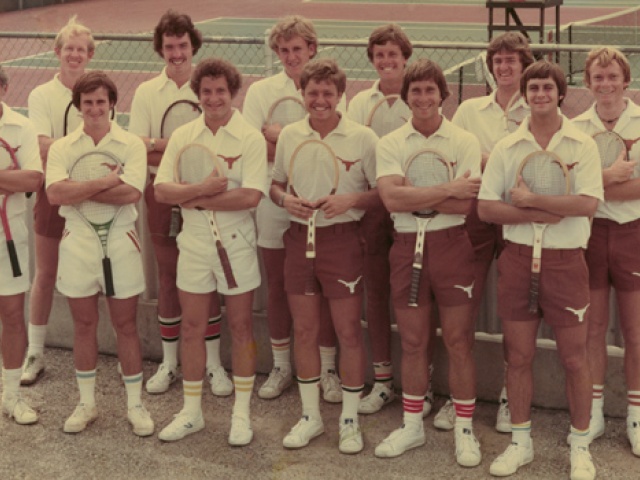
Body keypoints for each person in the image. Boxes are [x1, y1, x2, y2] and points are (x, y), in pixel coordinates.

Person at [478, 61, 602, 479]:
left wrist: (532, 202)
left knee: (574, 358)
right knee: (518, 356)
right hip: (516, 261)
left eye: (548, 87)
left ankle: (580, 446)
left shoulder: (581, 144)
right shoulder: (507, 145)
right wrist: (534, 210)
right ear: (525, 94)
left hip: (566, 265)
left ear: (560, 93)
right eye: (533, 88)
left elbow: (587, 204)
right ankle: (520, 443)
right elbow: (485, 206)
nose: (540, 94)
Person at [374, 58, 482, 467]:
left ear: (443, 95)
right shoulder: (390, 143)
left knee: (458, 342)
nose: (423, 98)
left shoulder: (463, 140)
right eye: (415, 91)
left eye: (429, 90)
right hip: (406, 247)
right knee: (415, 341)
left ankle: (465, 430)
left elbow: (464, 202)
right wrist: (446, 187)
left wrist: (416, 191)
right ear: (406, 97)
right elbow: (391, 199)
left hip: (452, 244)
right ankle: (413, 424)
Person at [154, 58, 267, 446]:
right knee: (192, 327)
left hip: (237, 244)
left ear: (231, 92)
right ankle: (191, 413)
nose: (214, 98)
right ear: (197, 94)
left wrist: (194, 198)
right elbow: (161, 190)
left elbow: (250, 196)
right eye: (206, 91)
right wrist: (202, 191)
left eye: (220, 91)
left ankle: (241, 413)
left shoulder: (249, 137)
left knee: (240, 327)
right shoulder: (184, 134)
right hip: (195, 244)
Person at [270, 58, 379, 454]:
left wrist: (351, 199)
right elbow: (276, 185)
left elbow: (381, 192)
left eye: (327, 94)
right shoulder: (289, 136)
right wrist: (286, 201)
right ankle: (311, 416)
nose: (319, 100)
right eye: (312, 93)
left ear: (340, 96)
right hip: (300, 240)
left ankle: (349, 419)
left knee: (348, 331)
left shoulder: (363, 137)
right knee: (305, 331)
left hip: (343, 242)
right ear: (303, 94)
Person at [128, 10, 231, 397]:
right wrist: (170, 155)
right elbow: (139, 150)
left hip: (208, 200)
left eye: (182, 45)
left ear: (193, 46)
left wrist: (159, 145)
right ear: (161, 49)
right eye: (169, 46)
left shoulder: (209, 87)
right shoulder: (145, 93)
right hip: (163, 197)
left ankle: (213, 365)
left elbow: (217, 146)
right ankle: (171, 364)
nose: (176, 53)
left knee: (209, 281)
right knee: (169, 279)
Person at [46, 71, 154, 437]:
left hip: (121, 242)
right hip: (77, 242)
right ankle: (86, 404)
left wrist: (80, 189)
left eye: (101, 101)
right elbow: (55, 194)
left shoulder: (131, 144)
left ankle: (135, 405)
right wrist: (108, 180)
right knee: (84, 325)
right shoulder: (62, 148)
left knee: (126, 326)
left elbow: (132, 194)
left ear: (111, 103)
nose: (95, 108)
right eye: (87, 102)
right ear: (78, 106)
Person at [438, 31, 534, 434]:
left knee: (517, 314)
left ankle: (511, 398)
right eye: (498, 61)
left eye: (511, 61)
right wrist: (497, 160)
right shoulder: (469, 110)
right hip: (477, 215)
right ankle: (458, 399)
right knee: (463, 309)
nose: (504, 67)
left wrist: (488, 158)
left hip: (517, 217)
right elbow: (457, 157)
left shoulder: (540, 105)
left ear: (524, 65)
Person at [243, 15, 343, 403]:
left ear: (311, 48)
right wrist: (289, 142)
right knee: (280, 285)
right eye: (283, 50)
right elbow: (254, 149)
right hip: (274, 197)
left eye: (296, 49)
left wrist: (280, 136)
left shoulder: (332, 86)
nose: (289, 56)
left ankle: (328, 369)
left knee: (322, 287)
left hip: (319, 200)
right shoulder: (259, 91)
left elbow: (328, 140)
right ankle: (283, 365)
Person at [346, 23, 425, 416]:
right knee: (375, 295)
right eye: (379, 55)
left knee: (419, 297)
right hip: (375, 211)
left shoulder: (421, 96)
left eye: (393, 54)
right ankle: (382, 381)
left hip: (416, 211)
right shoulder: (361, 102)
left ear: (405, 58)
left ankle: (421, 386)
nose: (386, 61)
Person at [572, 46, 640, 457]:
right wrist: (606, 179)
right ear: (588, 83)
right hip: (591, 233)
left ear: (626, 80)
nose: (606, 84)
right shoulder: (576, 127)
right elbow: (573, 186)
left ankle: (635, 416)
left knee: (635, 332)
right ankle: (593, 411)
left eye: (612, 76)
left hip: (633, 234)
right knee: (592, 330)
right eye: (598, 77)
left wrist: (597, 183)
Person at [22, 15, 95, 385]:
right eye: (69, 48)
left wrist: (64, 152)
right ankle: (35, 353)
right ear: (58, 52)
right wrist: (77, 153)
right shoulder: (40, 95)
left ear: (89, 54)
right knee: (46, 273)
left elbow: (105, 145)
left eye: (81, 50)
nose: (74, 55)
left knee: (98, 275)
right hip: (52, 194)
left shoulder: (98, 90)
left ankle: (98, 354)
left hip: (91, 197)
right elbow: (39, 145)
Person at [0, 66, 44, 425]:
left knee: (13, 316)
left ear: (4, 87)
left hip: (10, 238)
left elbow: (32, 179)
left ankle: (11, 396)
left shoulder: (23, 127)